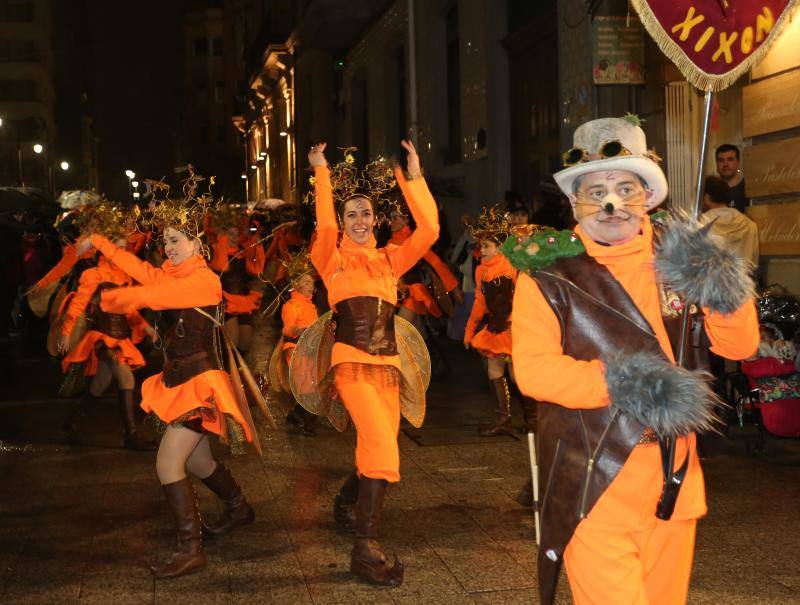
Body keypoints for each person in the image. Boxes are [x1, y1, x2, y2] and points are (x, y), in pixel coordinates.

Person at [508, 116, 759, 604]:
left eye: (626, 187)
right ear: (576, 202)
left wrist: (723, 284)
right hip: (594, 483)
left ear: (648, 196)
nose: (612, 202)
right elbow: (534, 371)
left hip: (674, 479)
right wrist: (630, 382)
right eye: (596, 188)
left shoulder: (682, 261)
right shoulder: (547, 278)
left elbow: (738, 347)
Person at [76, 188, 260, 579]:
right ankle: (239, 508)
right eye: (165, 241)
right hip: (180, 379)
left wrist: (113, 301)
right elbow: (141, 270)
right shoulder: (173, 273)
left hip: (199, 382)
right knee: (198, 460)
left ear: (197, 242)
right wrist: (101, 242)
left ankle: (190, 549)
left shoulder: (204, 280)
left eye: (177, 240)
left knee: (167, 463)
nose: (169, 247)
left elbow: (155, 295)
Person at [307, 139, 438, 586]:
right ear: (343, 222)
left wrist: (412, 177)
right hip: (350, 366)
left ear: (376, 220)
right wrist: (321, 172)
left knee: (379, 450)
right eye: (352, 215)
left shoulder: (390, 260)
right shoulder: (331, 258)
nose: (360, 221)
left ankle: (348, 501)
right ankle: (364, 550)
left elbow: (430, 230)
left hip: (389, 367)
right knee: (382, 445)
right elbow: (323, 225)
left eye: (365, 213)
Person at [58, 206, 155, 450]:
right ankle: (131, 435)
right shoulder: (94, 274)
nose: (124, 252)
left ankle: (72, 423)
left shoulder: (125, 276)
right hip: (101, 336)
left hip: (120, 336)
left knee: (100, 384)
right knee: (127, 377)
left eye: (126, 248)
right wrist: (67, 332)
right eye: (119, 248)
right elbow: (78, 304)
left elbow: (128, 309)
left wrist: (146, 328)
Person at [463, 208, 532, 436]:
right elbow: (479, 302)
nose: (481, 250)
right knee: (495, 368)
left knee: (515, 374)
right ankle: (505, 418)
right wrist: (469, 330)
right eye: (481, 246)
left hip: (513, 327)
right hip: (496, 327)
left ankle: (533, 418)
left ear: (500, 248)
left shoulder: (513, 266)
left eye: (486, 246)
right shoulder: (482, 271)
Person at [208, 208, 266, 353]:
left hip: (243, 300)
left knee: (245, 344)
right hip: (225, 302)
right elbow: (223, 267)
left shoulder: (241, 252)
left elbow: (256, 270)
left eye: (236, 234)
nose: (234, 238)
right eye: (230, 234)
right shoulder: (215, 250)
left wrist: (258, 246)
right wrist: (222, 242)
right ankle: (227, 374)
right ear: (222, 234)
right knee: (231, 347)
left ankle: (238, 373)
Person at [278, 250, 319, 436]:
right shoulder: (291, 306)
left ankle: (296, 416)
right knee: (305, 383)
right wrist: (302, 330)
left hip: (310, 348)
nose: (311, 286)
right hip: (295, 348)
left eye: (312, 282)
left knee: (312, 382)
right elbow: (288, 329)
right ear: (296, 285)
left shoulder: (311, 305)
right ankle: (301, 418)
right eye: (307, 282)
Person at [701, 175, 759, 268]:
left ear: (706, 198)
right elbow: (753, 265)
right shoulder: (750, 225)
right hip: (741, 281)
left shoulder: (699, 225)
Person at [715, 143, 749, 213]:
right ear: (716, 165)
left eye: (730, 159)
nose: (725, 164)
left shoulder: (748, 189)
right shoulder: (711, 193)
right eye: (721, 160)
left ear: (738, 163)